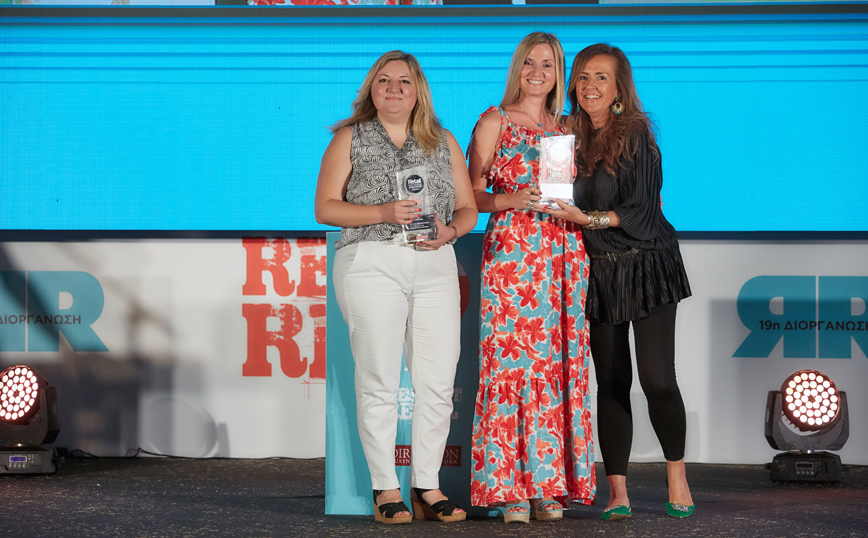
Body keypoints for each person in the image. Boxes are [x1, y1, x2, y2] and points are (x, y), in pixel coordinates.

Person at [314, 50, 477, 524]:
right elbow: (325, 208)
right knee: (380, 381)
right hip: (371, 262)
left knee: (438, 383)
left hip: (435, 264)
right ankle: (385, 487)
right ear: (372, 88)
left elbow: (468, 208)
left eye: (403, 81)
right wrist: (383, 212)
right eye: (384, 80)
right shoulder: (350, 137)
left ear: (418, 90)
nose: (393, 88)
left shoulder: (443, 140)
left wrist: (450, 231)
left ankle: (427, 485)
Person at [545, 43, 695, 520]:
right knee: (610, 383)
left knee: (657, 380)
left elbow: (644, 212)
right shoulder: (564, 136)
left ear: (619, 89)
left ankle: (677, 475)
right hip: (601, 272)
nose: (590, 86)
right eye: (583, 76)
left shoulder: (636, 134)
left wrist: (587, 219)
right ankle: (618, 491)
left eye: (601, 78)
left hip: (648, 264)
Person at [467, 32, 596, 524]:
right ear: (517, 68)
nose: (538, 72)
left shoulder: (567, 128)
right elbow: (469, 195)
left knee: (555, 368)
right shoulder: (494, 121)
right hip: (513, 256)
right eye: (530, 63)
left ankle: (547, 486)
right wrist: (509, 199)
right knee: (510, 367)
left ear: (559, 72)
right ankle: (509, 489)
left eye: (548, 64)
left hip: (562, 254)